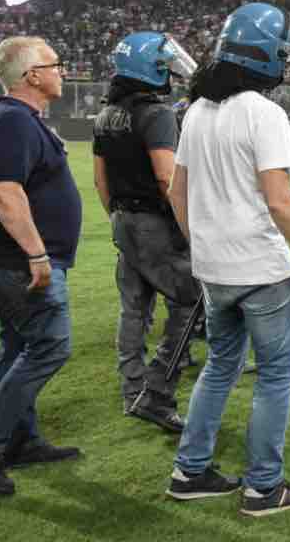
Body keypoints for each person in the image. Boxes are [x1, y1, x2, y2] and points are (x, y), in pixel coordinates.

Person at [165, 2, 290, 517]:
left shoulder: (197, 110)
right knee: (274, 379)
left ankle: (190, 470)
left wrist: (206, 243)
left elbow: (178, 193)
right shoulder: (264, 113)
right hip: (262, 271)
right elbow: (280, 201)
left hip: (214, 269)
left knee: (219, 368)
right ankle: (264, 488)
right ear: (267, 57)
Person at [0, 36, 82, 496]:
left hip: (4, 260)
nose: (61, 71)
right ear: (32, 75)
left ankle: (19, 440)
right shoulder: (13, 121)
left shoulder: (19, 118)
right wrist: (36, 253)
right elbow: (7, 195)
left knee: (17, 348)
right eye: (56, 64)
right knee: (51, 345)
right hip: (14, 263)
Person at [92, 31, 200, 434]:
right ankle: (158, 391)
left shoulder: (107, 113)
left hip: (123, 219)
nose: (168, 74)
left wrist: (120, 221)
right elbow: (165, 175)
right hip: (155, 222)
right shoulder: (155, 114)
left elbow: (101, 180)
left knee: (133, 309)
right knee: (190, 301)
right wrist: (189, 227)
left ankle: (132, 390)